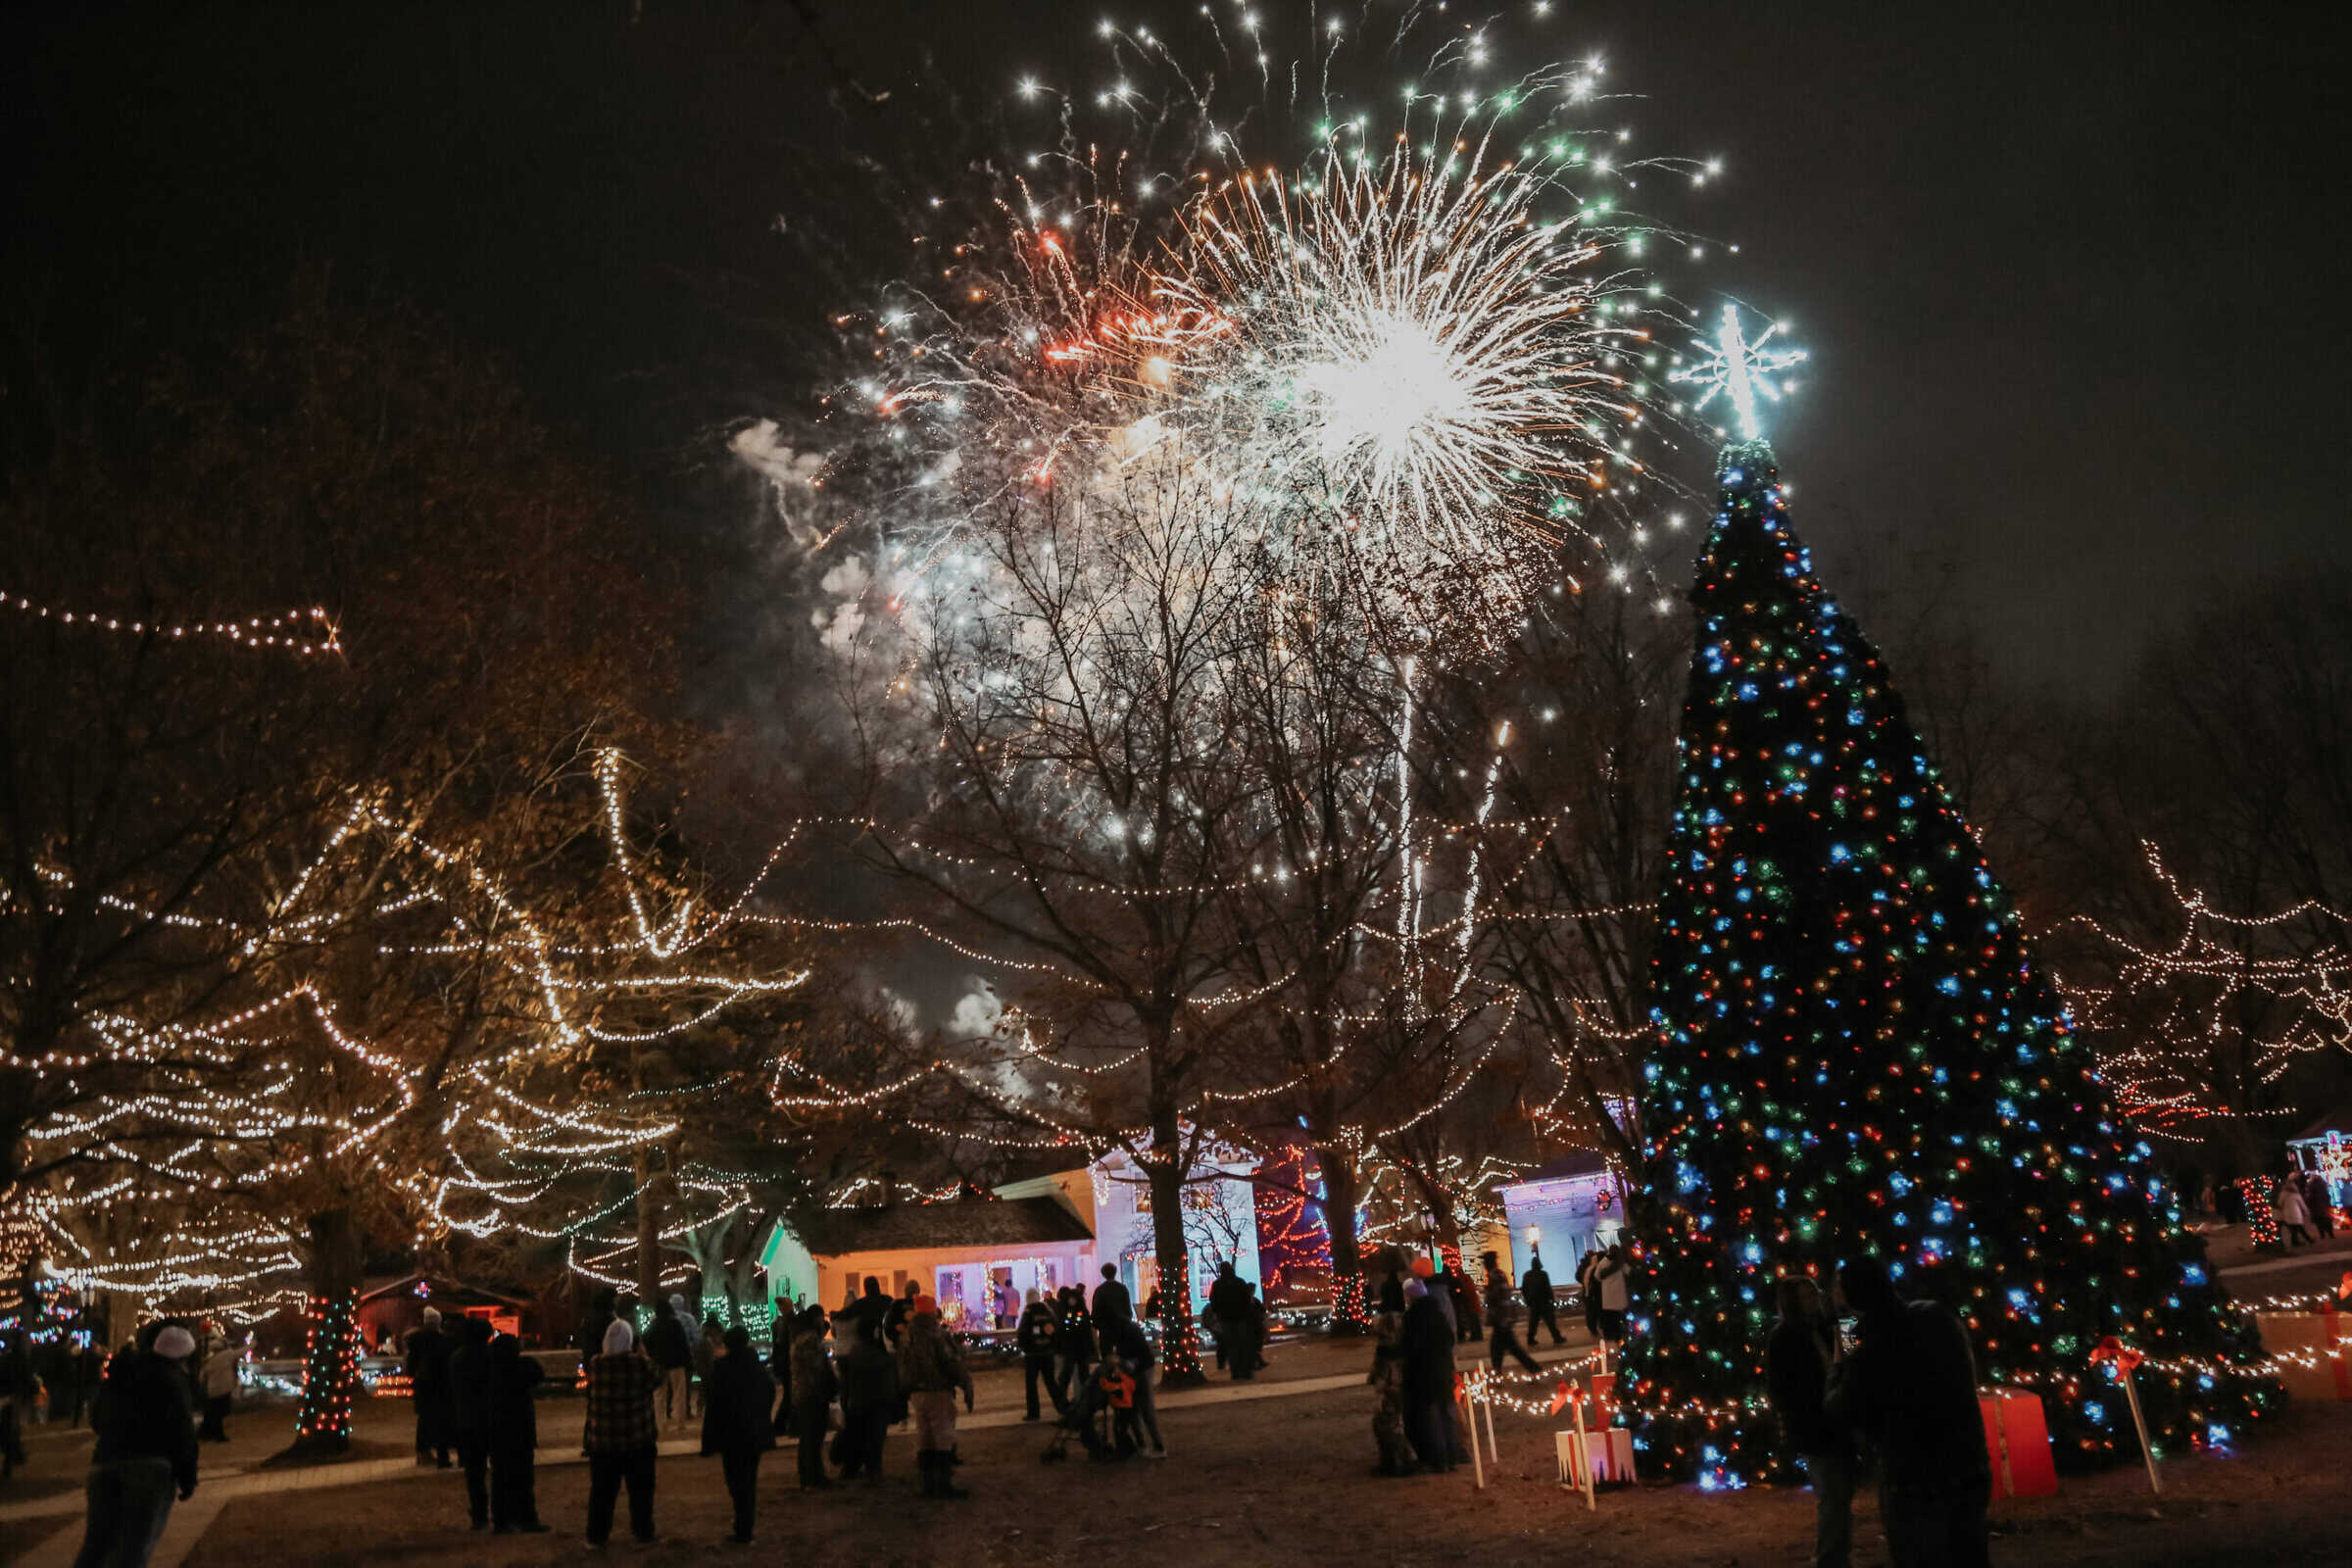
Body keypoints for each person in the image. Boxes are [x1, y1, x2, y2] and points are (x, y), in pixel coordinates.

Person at [1826, 1257, 1990, 1568]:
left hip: (1913, 1481)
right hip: (1966, 1465)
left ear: (1849, 1296)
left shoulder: (1870, 1351)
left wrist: (1839, 1363)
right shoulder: (1936, 1317)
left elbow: (1841, 1406)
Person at [73, 1322, 199, 1568]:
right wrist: (187, 1475)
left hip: (105, 1463)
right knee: (134, 1546)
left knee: (96, 1545)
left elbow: (97, 1416)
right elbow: (183, 1430)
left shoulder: (123, 1373)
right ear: (183, 1355)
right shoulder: (173, 1380)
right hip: (151, 1468)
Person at [1767, 1277, 1854, 1568]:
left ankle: (1838, 1555)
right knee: (1831, 1495)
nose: (1814, 1300)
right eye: (1806, 1296)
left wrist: (1842, 1317)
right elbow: (1780, 1387)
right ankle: (1830, 1559)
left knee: (1842, 1495)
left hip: (1839, 1420)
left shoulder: (1826, 1327)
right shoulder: (1784, 1337)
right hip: (1814, 1424)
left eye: (1815, 1293)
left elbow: (1853, 1355)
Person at [581, 1318, 661, 1548]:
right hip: (637, 1439)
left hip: (603, 1441)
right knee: (641, 1491)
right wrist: (643, 1354)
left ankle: (597, 1536)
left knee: (602, 1492)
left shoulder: (596, 1364)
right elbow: (657, 1378)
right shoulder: (639, 1365)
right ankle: (643, 1531)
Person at [700, 1326, 775, 1544]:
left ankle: (743, 1527)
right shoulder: (756, 1367)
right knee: (748, 1479)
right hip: (753, 1432)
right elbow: (768, 1392)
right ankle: (744, 1523)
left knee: (735, 1479)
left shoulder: (723, 1368)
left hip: (731, 1434)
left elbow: (715, 1404)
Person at [897, 1296, 975, 1497]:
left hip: (916, 1393)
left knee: (924, 1437)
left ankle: (928, 1484)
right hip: (937, 1390)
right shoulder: (937, 1334)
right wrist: (965, 1382)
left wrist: (904, 1390)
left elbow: (902, 1366)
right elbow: (950, 1362)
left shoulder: (907, 1336)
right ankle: (944, 1484)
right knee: (943, 1436)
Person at [485, 1332, 548, 1535]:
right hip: (520, 1431)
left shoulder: (491, 1370)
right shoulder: (521, 1367)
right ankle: (526, 1518)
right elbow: (539, 1374)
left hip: (497, 1431)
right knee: (523, 1477)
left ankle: (501, 1520)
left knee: (500, 1477)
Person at [1398, 1277, 1458, 1473]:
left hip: (1424, 1374)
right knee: (1447, 1415)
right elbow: (1449, 1339)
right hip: (1442, 1370)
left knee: (1431, 1417)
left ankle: (1439, 1460)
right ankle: (1452, 1456)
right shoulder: (1437, 1313)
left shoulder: (1412, 1318)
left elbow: (1408, 1348)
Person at [834, 1316, 899, 1480]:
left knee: (861, 1437)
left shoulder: (856, 1350)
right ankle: (872, 1469)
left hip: (860, 1400)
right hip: (874, 1400)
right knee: (874, 1439)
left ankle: (856, 1468)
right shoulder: (871, 1352)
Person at [446, 1316, 495, 1530]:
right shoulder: (490, 1356)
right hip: (491, 1417)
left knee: (474, 1472)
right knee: (499, 1467)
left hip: (467, 1419)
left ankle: (479, 1513)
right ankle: (500, 1511)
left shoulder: (458, 1358)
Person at [1099, 1310, 1167, 1459]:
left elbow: (1140, 1356)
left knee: (1143, 1408)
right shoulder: (1121, 1328)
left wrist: (1121, 1364)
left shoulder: (1127, 1331)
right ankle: (1144, 1445)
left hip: (1141, 1368)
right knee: (1135, 1408)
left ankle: (1156, 1445)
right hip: (1134, 1368)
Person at [1367, 1276, 1415, 1476]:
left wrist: (1375, 1374)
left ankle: (1396, 1462)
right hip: (1403, 1375)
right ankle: (1401, 1460)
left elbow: (1385, 1351)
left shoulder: (1388, 1322)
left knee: (1386, 1422)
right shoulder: (1407, 1319)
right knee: (1395, 1422)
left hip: (1390, 1378)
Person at [788, 1305, 838, 1491]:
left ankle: (813, 1476)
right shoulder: (809, 1340)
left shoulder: (801, 1338)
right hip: (811, 1393)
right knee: (812, 1438)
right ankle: (811, 1477)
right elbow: (816, 1368)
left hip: (805, 1392)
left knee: (811, 1437)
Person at [405, 1307, 455, 1468]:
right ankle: (439, 1453)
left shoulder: (416, 1342)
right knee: (440, 1420)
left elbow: (410, 1366)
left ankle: (423, 1451)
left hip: (422, 1385)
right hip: (440, 1385)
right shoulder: (443, 1342)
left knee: (424, 1420)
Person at [1482, 1254, 1541, 1374]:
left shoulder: (1496, 1276)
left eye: (1485, 1263)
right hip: (1501, 1319)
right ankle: (1532, 1368)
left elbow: (1502, 1298)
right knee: (1503, 1349)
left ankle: (1533, 1369)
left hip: (1501, 1320)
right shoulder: (1496, 1275)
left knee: (1506, 1350)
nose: (1484, 1266)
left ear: (1489, 1264)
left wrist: (1503, 1319)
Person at [644, 1295, 695, 1429]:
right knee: (679, 1393)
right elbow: (683, 1343)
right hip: (676, 1363)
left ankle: (660, 1424)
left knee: (659, 1394)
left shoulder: (653, 1324)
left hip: (659, 1363)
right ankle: (680, 1422)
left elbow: (646, 1341)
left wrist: (651, 1357)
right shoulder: (676, 1324)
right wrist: (688, 1360)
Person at [1015, 1288, 1062, 1419]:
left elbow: (1023, 1332)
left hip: (1032, 1355)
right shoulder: (1047, 1310)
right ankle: (1062, 1407)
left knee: (1031, 1385)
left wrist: (1024, 1347)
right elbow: (1055, 1329)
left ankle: (1034, 1413)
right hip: (1047, 1353)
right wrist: (1051, 1345)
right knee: (1051, 1382)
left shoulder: (1028, 1311)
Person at [1052, 1286, 1096, 1411]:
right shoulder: (1063, 1311)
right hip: (1069, 1348)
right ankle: (1063, 1402)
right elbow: (1061, 1330)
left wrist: (1090, 1348)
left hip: (1080, 1348)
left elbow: (1087, 1330)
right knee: (1066, 1375)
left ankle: (1083, 1399)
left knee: (1082, 1375)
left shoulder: (1081, 1311)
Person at [195, 1337, 237, 1443]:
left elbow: (202, 1375)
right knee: (219, 1414)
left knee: (213, 1413)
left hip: (212, 1390)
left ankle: (208, 1434)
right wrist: (254, 1343)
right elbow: (240, 1352)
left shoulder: (209, 1360)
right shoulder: (226, 1355)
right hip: (223, 1390)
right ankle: (218, 1435)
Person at [1592, 1246, 1630, 1357]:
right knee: (1621, 1318)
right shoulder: (1620, 1262)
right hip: (1620, 1295)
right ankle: (1622, 1337)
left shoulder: (1603, 1262)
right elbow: (1628, 1271)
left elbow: (1597, 1276)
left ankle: (1613, 1337)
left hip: (1608, 1297)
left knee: (1611, 1320)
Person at [1521, 1249, 1564, 1347]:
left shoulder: (1527, 1275)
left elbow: (1523, 1288)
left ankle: (1530, 1338)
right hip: (1543, 1302)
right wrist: (1552, 1299)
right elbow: (1547, 1288)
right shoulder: (1543, 1274)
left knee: (1533, 1322)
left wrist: (1527, 1300)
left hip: (1533, 1302)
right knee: (1550, 1321)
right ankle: (1556, 1337)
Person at [693, 1313, 723, 1420]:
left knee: (703, 1390)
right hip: (716, 1365)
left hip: (705, 1367)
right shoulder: (720, 1331)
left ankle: (700, 1410)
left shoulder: (703, 1336)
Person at [1089, 1262, 1131, 1336]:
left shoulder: (1099, 1290)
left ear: (1103, 1274)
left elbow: (1096, 1309)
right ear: (1115, 1273)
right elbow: (1127, 1307)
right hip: (1121, 1326)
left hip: (1105, 1328)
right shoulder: (1122, 1288)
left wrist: (1097, 1324)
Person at [2275, 1175, 2314, 1247]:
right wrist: (2306, 1211)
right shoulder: (2296, 1194)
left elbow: (2279, 1203)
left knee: (2294, 1229)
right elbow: (2302, 1204)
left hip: (2287, 1214)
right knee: (2299, 1228)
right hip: (2296, 1213)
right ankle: (2307, 1240)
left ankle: (2297, 1242)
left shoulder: (2283, 1194)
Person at [2300, 1167, 2336, 1241]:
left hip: (2316, 1208)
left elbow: (2309, 1199)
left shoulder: (2311, 1188)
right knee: (2326, 1220)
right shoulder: (2323, 1186)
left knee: (2319, 1221)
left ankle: (2322, 1234)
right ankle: (2330, 1233)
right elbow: (2328, 1197)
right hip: (2324, 1207)